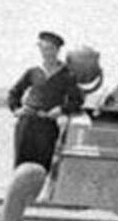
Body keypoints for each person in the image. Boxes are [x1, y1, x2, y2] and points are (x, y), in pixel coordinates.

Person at [5, 30, 83, 170]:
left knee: (43, 165)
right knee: (21, 166)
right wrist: (17, 109)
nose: (47, 53)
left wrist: (61, 110)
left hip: (47, 124)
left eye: (51, 49)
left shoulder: (67, 75)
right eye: (44, 48)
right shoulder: (33, 72)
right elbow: (14, 93)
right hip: (27, 123)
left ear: (57, 50)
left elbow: (77, 101)